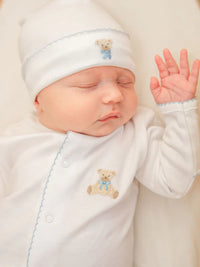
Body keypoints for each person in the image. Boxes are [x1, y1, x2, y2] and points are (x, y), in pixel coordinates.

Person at [0, 0, 199, 266]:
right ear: (39, 99)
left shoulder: (133, 132)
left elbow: (175, 181)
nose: (115, 95)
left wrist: (179, 112)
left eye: (124, 81)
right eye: (88, 85)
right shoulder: (14, 142)